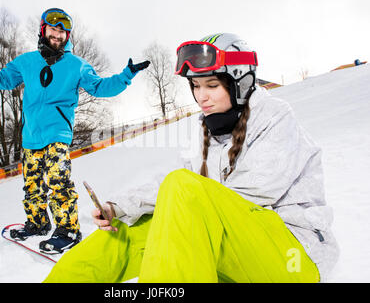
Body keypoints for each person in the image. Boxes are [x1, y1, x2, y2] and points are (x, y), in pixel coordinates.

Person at [43, 33, 339, 282]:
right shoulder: (207, 132)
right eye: (196, 86)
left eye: (212, 85)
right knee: (123, 233)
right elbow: (184, 193)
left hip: (293, 258)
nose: (202, 97)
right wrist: (119, 207)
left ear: (241, 83)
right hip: (233, 250)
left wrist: (172, 211)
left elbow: (247, 194)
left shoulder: (275, 118)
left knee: (180, 191)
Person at [0, 8, 150, 254]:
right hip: (31, 136)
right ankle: (38, 223)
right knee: (32, 184)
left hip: (57, 134)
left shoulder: (77, 66)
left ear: (67, 36)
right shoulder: (26, 62)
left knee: (57, 179)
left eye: (62, 32)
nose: (58, 35)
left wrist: (126, 75)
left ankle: (68, 230)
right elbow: (0, 80)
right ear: (43, 30)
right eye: (53, 30)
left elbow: (100, 88)